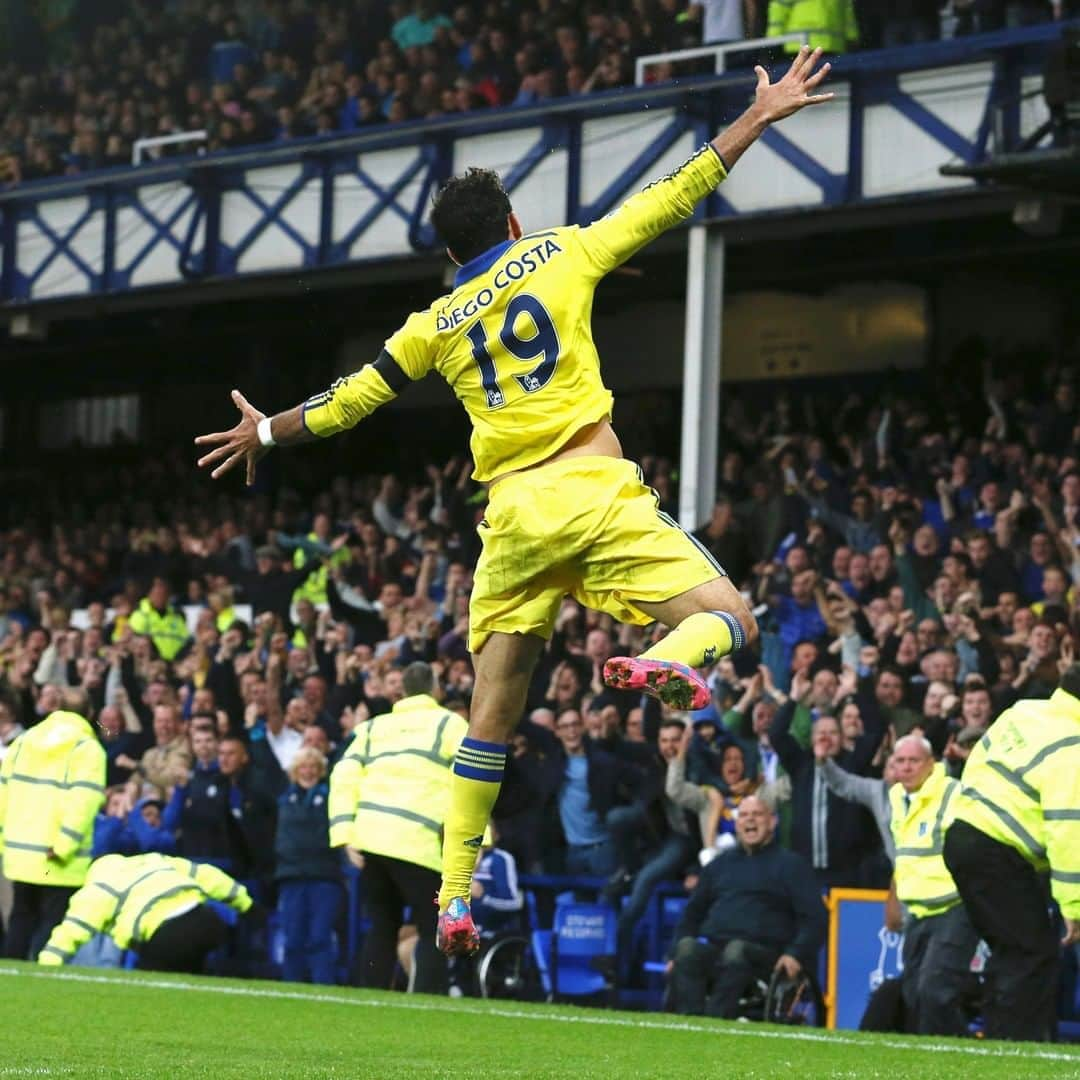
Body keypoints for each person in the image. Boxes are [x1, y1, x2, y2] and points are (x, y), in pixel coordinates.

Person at [195, 47, 834, 954]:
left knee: (490, 717)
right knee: (732, 617)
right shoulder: (562, 253)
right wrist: (757, 118)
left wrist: (263, 432)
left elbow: (350, 401)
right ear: (513, 220)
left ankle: (453, 896)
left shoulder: (433, 324)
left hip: (512, 519)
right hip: (592, 485)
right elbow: (672, 194)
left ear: (452, 253)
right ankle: (670, 657)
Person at [944, 663, 1080, 1042]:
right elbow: (1068, 827)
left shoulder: (1025, 710)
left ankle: (1001, 1040)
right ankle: (1017, 1048)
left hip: (962, 833)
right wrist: (1075, 907)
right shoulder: (1074, 746)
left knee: (1013, 950)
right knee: (1032, 953)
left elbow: (978, 757)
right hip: (997, 850)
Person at [328, 662, 466, 991]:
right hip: (421, 844)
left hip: (372, 843)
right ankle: (430, 1003)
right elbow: (470, 782)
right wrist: (478, 839)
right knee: (432, 924)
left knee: (382, 926)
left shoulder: (372, 728)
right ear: (436, 689)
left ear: (400, 690)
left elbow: (343, 776)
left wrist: (344, 834)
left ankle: (371, 1002)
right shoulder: (450, 724)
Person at [667, 795, 826, 1017]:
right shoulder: (718, 866)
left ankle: (715, 1021)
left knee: (737, 950)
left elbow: (815, 919)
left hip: (767, 957)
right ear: (737, 823)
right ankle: (690, 1021)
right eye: (744, 815)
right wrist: (674, 954)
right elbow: (692, 914)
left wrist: (795, 954)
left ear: (772, 822)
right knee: (687, 949)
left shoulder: (792, 866)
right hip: (719, 952)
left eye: (757, 814)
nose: (750, 820)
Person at [0, 689, 105, 960]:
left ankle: (10, 981)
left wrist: (2, 841)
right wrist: (64, 844)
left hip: (20, 854)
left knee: (20, 920)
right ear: (90, 714)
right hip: (58, 858)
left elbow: (3, 793)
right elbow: (83, 801)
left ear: (56, 707)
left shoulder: (23, 741)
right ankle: (42, 981)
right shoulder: (87, 748)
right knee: (52, 926)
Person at [889, 735, 978, 1037]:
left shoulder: (952, 792)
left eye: (914, 761)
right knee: (914, 992)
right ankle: (942, 1054)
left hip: (954, 906)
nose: (907, 767)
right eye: (900, 761)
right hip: (917, 910)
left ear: (931, 764)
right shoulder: (896, 798)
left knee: (935, 990)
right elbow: (904, 854)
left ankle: (966, 1056)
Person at [37, 852, 255, 973]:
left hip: (167, 936)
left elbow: (73, 929)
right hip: (208, 920)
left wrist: (47, 964)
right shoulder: (153, 860)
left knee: (150, 990)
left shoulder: (99, 885)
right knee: (194, 976)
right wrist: (246, 904)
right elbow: (206, 874)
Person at [274, 746, 342, 985]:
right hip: (292, 877)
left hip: (323, 877)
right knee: (292, 938)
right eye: (303, 766)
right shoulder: (284, 799)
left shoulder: (331, 798)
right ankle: (291, 986)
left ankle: (323, 986)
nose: (308, 772)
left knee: (319, 937)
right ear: (295, 770)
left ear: (321, 770)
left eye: (313, 767)